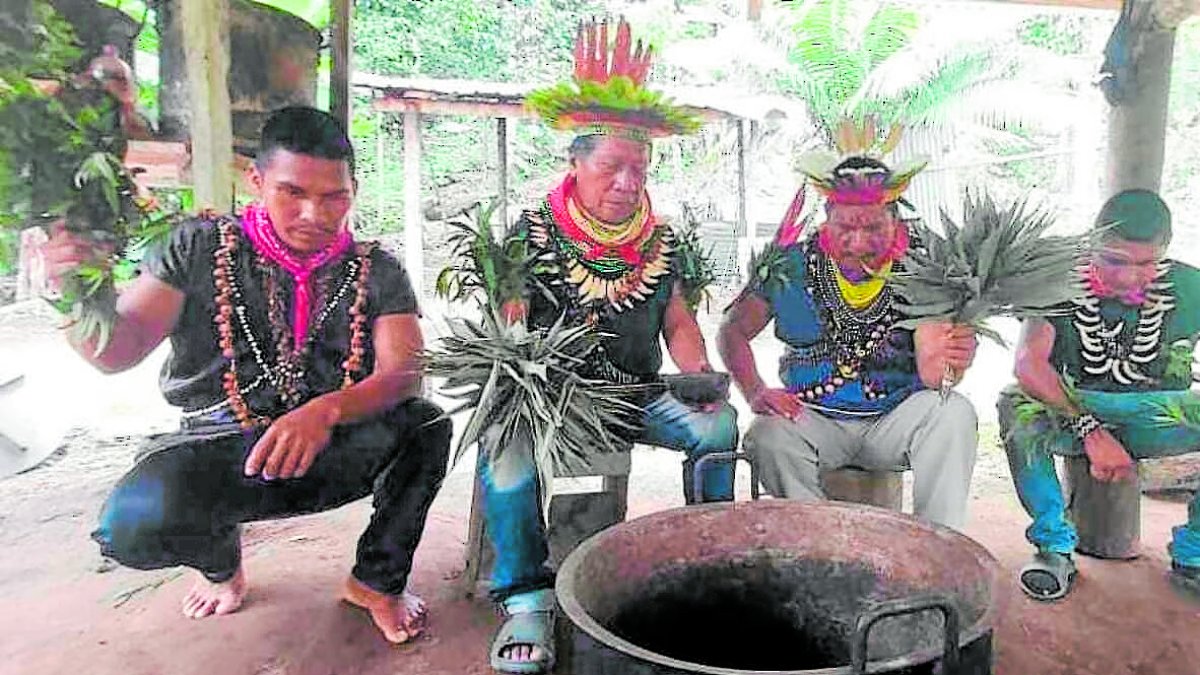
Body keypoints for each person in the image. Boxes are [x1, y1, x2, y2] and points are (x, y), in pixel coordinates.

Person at [40, 106, 450, 644]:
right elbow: (116, 353)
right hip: (223, 448)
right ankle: (217, 563)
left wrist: (324, 411)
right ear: (256, 181)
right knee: (130, 526)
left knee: (427, 426)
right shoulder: (198, 247)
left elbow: (404, 372)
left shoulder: (377, 269)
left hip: (333, 449)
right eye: (292, 192)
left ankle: (376, 582)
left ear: (354, 189)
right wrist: (68, 290)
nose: (314, 213)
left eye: (334, 197)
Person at [480, 18, 738, 674]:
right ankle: (525, 596)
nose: (628, 181)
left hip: (637, 393)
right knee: (506, 452)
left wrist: (697, 370)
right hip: (552, 398)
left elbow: (677, 321)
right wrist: (517, 366)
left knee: (720, 425)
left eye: (639, 167)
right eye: (611, 166)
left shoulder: (663, 240)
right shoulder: (531, 232)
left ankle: (711, 563)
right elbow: (508, 318)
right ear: (574, 162)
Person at [718, 127, 979, 530]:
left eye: (874, 228)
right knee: (766, 436)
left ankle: (939, 547)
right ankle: (819, 541)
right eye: (845, 228)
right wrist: (754, 391)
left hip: (896, 419)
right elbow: (732, 331)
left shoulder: (926, 266)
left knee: (953, 412)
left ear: (896, 221)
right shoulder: (791, 264)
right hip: (814, 418)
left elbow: (936, 375)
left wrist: (956, 357)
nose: (858, 242)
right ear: (826, 224)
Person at [999, 189, 1200, 601]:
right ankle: (1054, 547)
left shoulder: (1190, 286)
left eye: (1146, 264)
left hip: (1157, 414)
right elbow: (1028, 364)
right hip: (1073, 409)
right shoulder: (1058, 280)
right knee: (1015, 405)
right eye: (1114, 260)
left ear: (1165, 250)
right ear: (1093, 241)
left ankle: (1194, 553)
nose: (1128, 277)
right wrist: (1090, 429)